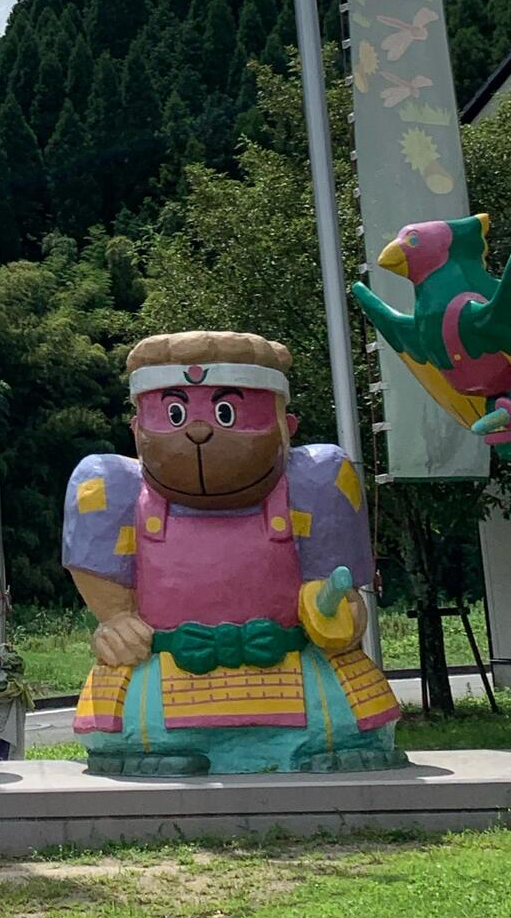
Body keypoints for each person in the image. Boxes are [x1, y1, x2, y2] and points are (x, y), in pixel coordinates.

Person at [62, 330, 401, 775]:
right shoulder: (111, 487)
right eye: (175, 412)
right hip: (168, 667)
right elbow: (107, 589)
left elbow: (339, 592)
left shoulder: (316, 481)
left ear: (285, 425)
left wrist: (336, 615)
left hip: (290, 663)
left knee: (339, 722)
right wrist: (116, 622)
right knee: (137, 723)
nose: (199, 429)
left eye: (227, 411)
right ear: (137, 428)